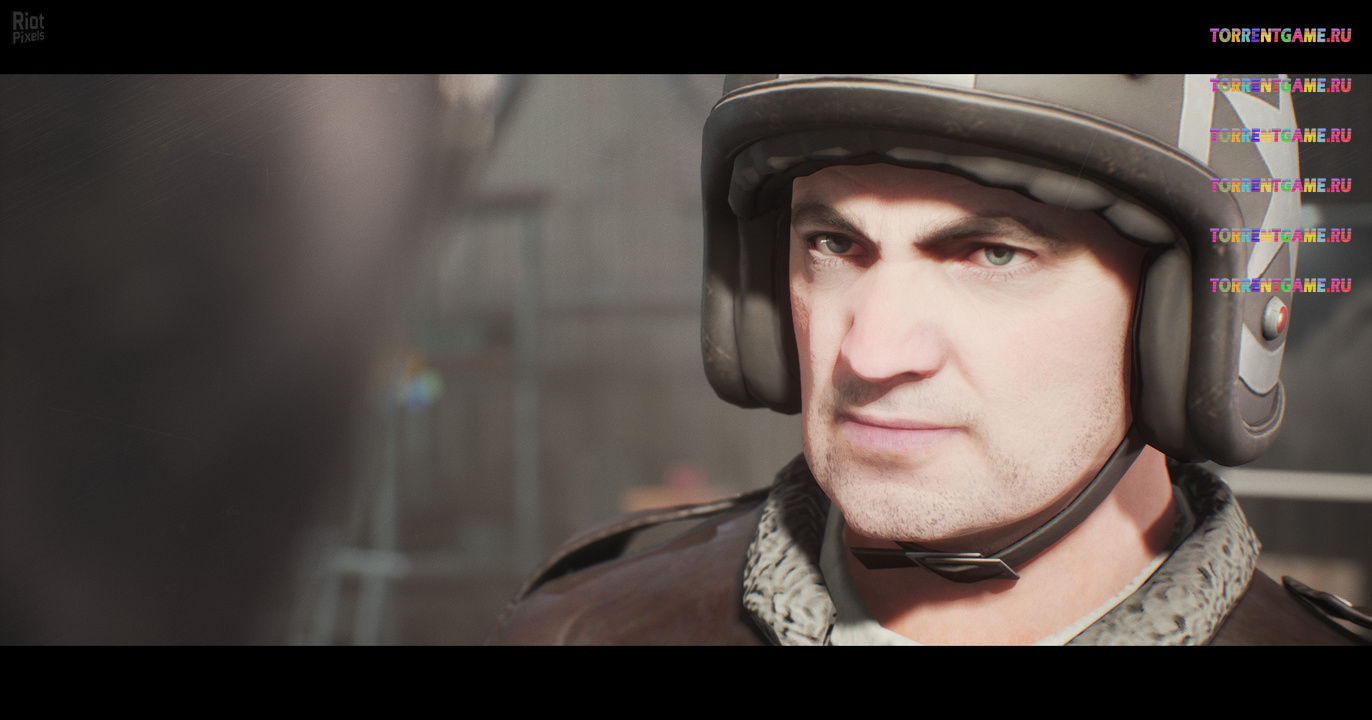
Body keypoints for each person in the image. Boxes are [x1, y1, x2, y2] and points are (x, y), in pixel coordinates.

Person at [486, 74, 1370, 645]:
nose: (871, 353)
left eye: (993, 254)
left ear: (1198, 317)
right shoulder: (586, 628)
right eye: (834, 243)